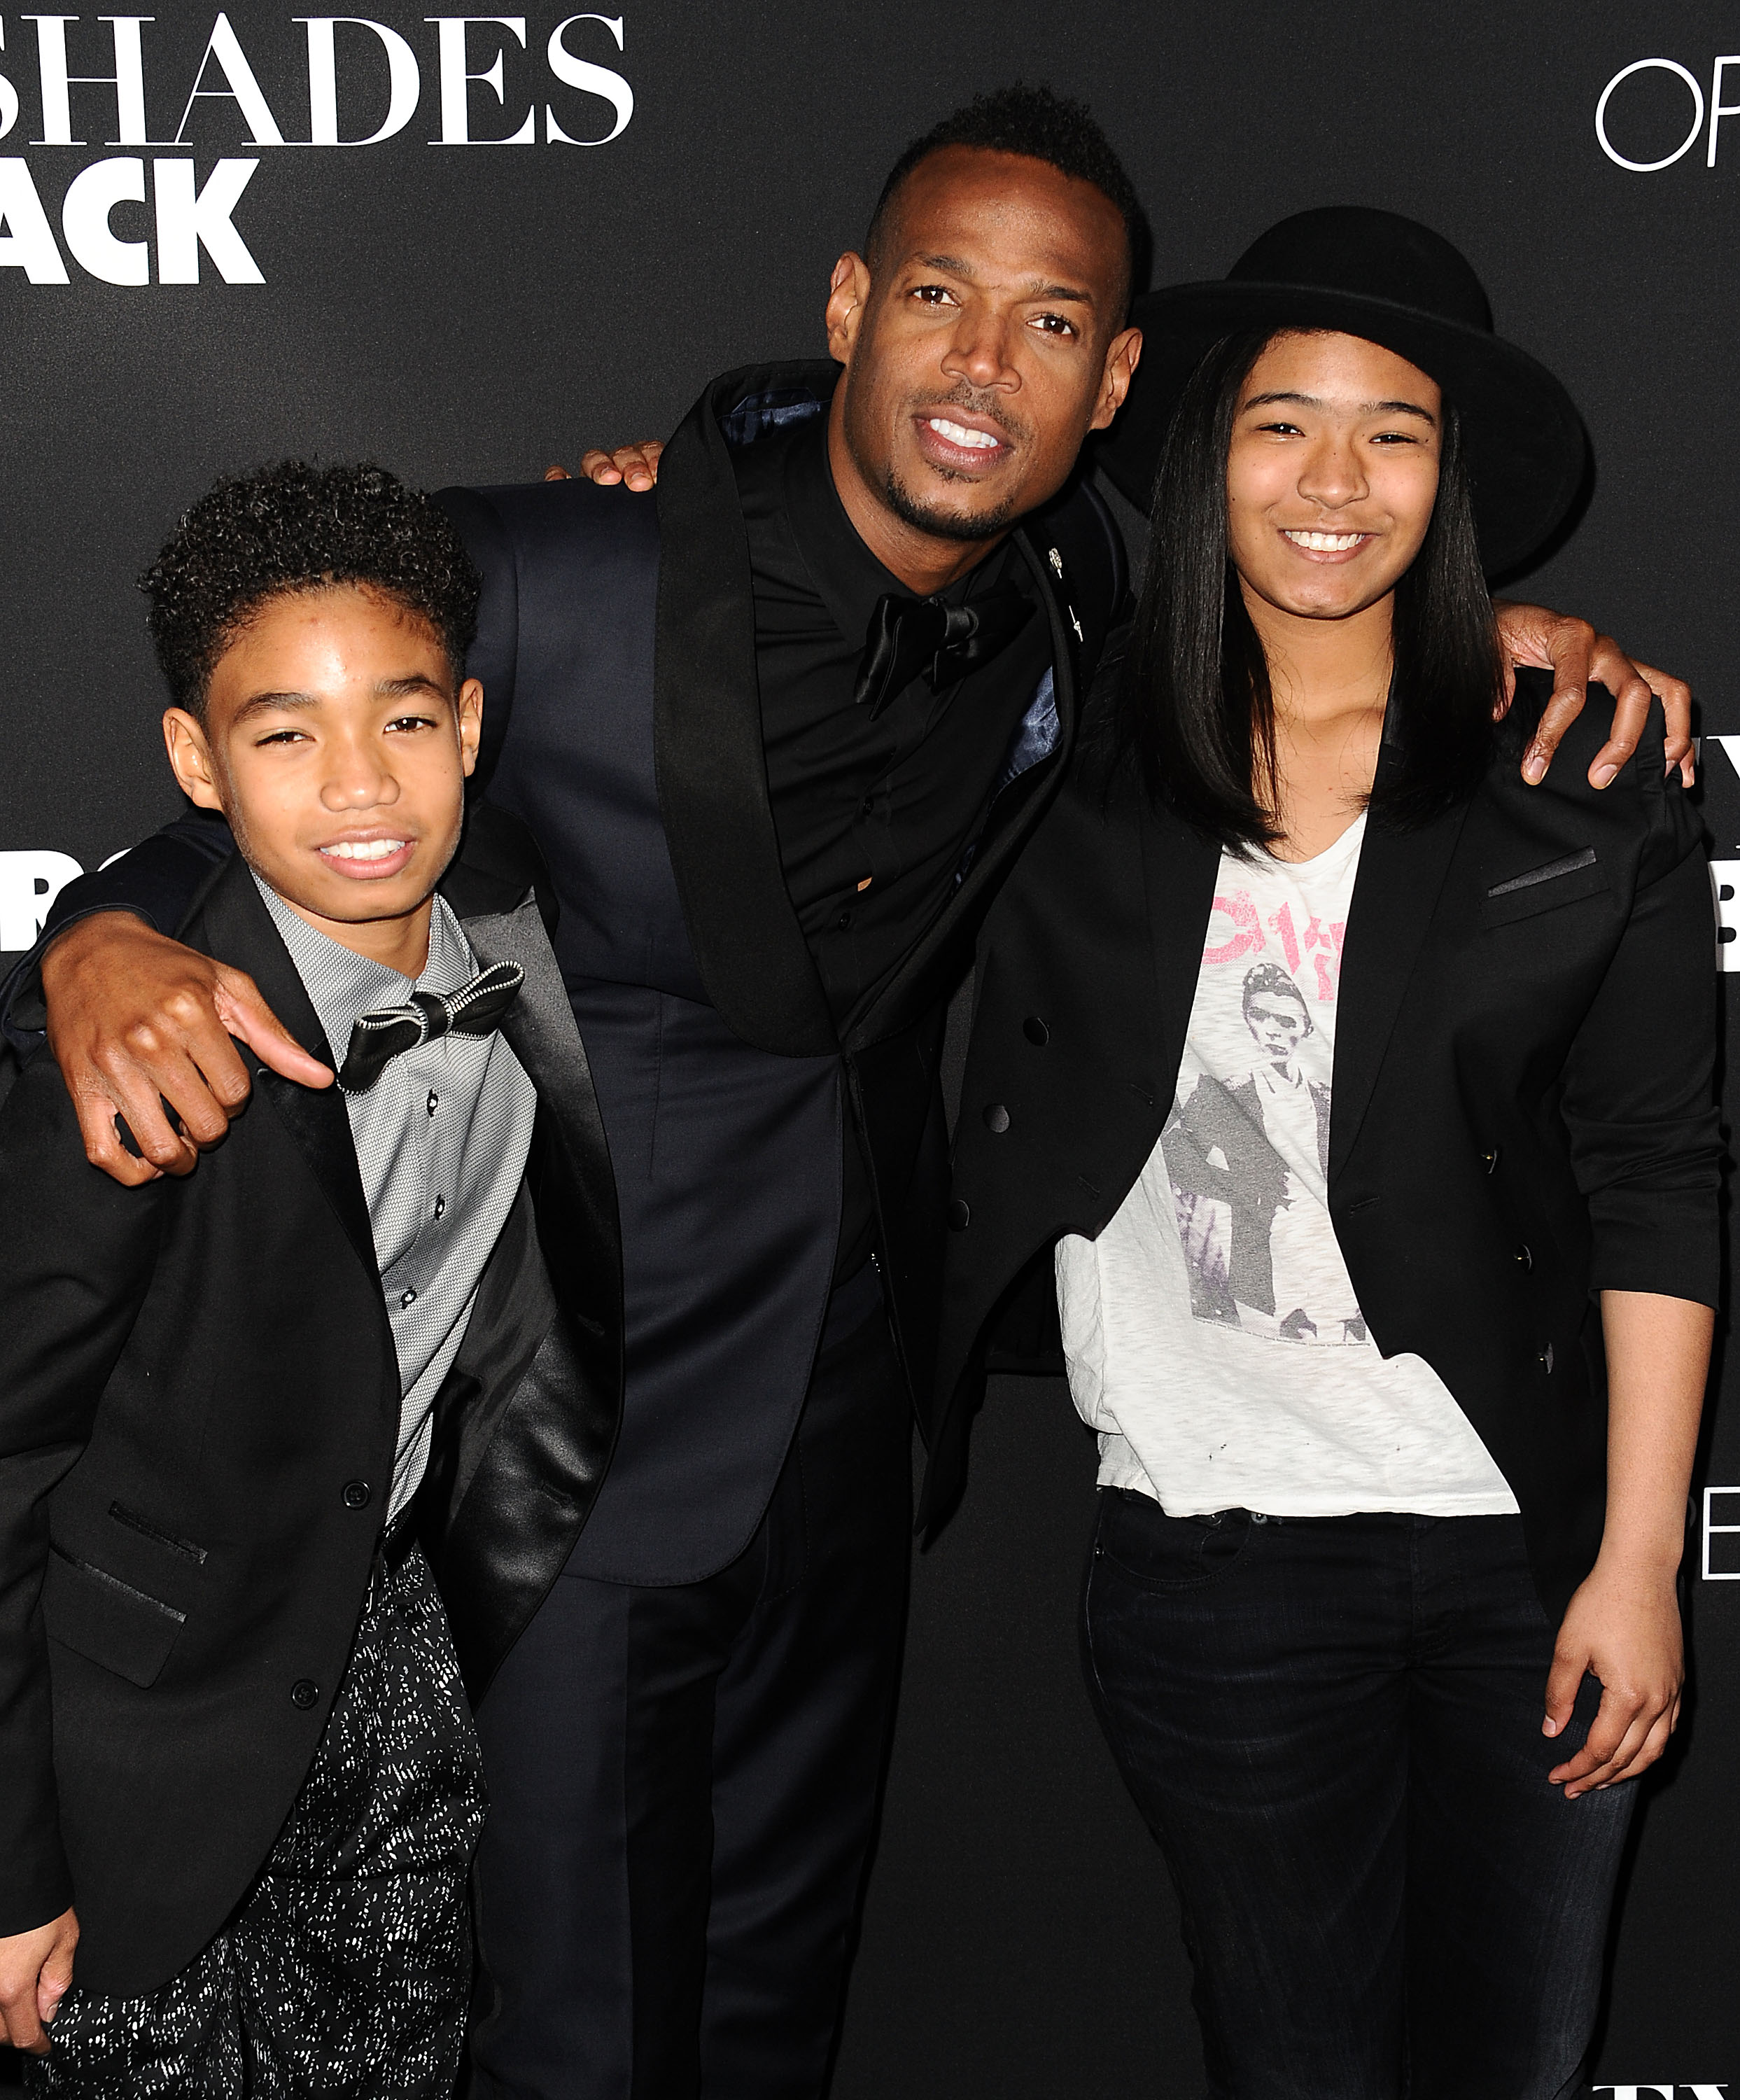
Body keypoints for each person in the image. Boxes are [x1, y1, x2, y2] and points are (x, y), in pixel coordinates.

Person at [0, 94, 1690, 2099]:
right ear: (844, 308)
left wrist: (1498, 630)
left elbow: (1322, 628)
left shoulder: (1069, 610)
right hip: (581, 1455)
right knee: (578, 2035)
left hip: (846, 1451)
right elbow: (291, 739)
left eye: (1047, 325)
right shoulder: (557, 574)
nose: (983, 362)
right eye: (933, 297)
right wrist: (91, 938)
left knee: (769, 2019)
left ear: (1108, 379)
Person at [930, 207, 1720, 2099]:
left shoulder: (1574, 779)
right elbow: (806, 545)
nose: (1332, 482)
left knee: (1510, 2065)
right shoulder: (1054, 746)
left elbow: (1653, 1178)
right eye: (1282, 423)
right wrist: (660, 476)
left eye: (1393, 432)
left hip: (1513, 1553)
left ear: (1448, 480)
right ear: (1204, 447)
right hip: (1211, 1559)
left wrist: (1630, 1570)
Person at [0, 462, 620, 2094]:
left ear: (473, 725)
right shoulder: (139, 1046)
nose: (362, 785)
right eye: (286, 735)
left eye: (405, 723)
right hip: (134, 1748)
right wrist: (7, 1868)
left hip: (399, 1691)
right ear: (196, 762)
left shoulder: (526, 928)